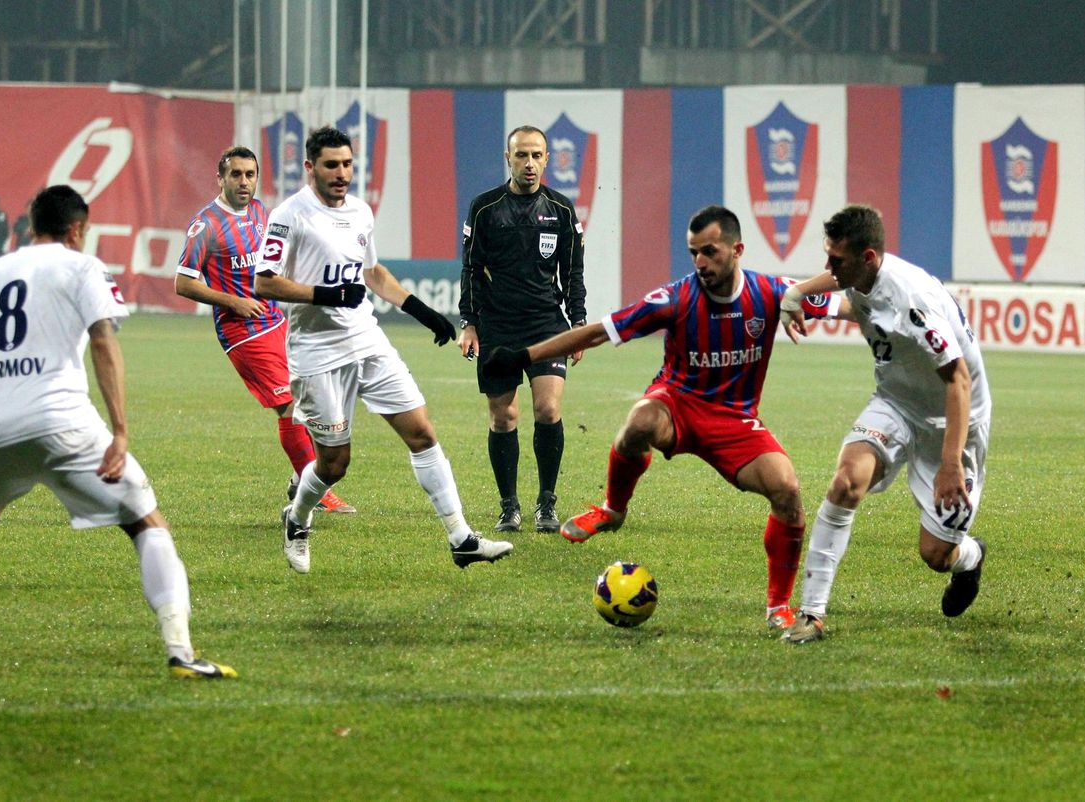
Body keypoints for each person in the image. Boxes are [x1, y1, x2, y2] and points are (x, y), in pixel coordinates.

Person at [485, 205, 823, 631]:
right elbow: (596, 332)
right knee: (640, 421)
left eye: (710, 252)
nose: (700, 262)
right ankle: (613, 509)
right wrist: (523, 356)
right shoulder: (675, 299)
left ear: (737, 249)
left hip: (735, 422)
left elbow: (846, 301)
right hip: (677, 405)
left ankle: (778, 607)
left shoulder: (772, 292)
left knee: (789, 491)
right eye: (693, 252)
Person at [0, 185, 236, 679]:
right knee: (147, 523)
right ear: (78, 229)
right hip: (62, 423)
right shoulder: (83, 266)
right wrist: (121, 432)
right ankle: (181, 653)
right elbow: (104, 343)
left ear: (30, 224)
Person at [254, 126, 512, 573]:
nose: (341, 174)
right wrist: (326, 294)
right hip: (316, 352)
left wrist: (422, 310)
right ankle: (297, 518)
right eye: (331, 165)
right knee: (335, 463)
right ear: (310, 168)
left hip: (367, 340)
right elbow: (265, 281)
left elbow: (371, 272)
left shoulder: (359, 211)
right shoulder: (288, 216)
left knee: (422, 433)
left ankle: (461, 538)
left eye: (348, 165)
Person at [777, 204, 992, 644]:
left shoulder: (915, 303)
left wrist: (950, 462)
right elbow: (858, 302)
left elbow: (958, 380)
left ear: (869, 257)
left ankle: (970, 558)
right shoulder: (866, 275)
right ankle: (812, 615)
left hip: (953, 421)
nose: (828, 266)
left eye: (836, 260)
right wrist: (798, 292)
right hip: (894, 403)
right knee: (844, 482)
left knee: (936, 555)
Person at [175, 146, 354, 514]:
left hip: (278, 321)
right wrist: (232, 301)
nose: (244, 182)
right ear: (221, 178)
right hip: (244, 333)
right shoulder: (205, 225)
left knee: (312, 399)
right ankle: (314, 490)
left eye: (250, 174)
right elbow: (183, 283)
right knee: (288, 406)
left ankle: (299, 480)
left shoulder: (260, 212)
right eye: (236, 174)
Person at [458, 125, 587, 535]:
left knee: (548, 410)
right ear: (508, 158)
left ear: (547, 159)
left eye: (536, 156)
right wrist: (469, 322)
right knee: (504, 416)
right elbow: (471, 270)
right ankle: (508, 504)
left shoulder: (562, 210)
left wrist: (579, 322)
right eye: (521, 156)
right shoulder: (484, 208)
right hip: (498, 326)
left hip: (546, 324)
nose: (529, 164)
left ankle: (546, 503)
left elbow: (573, 272)